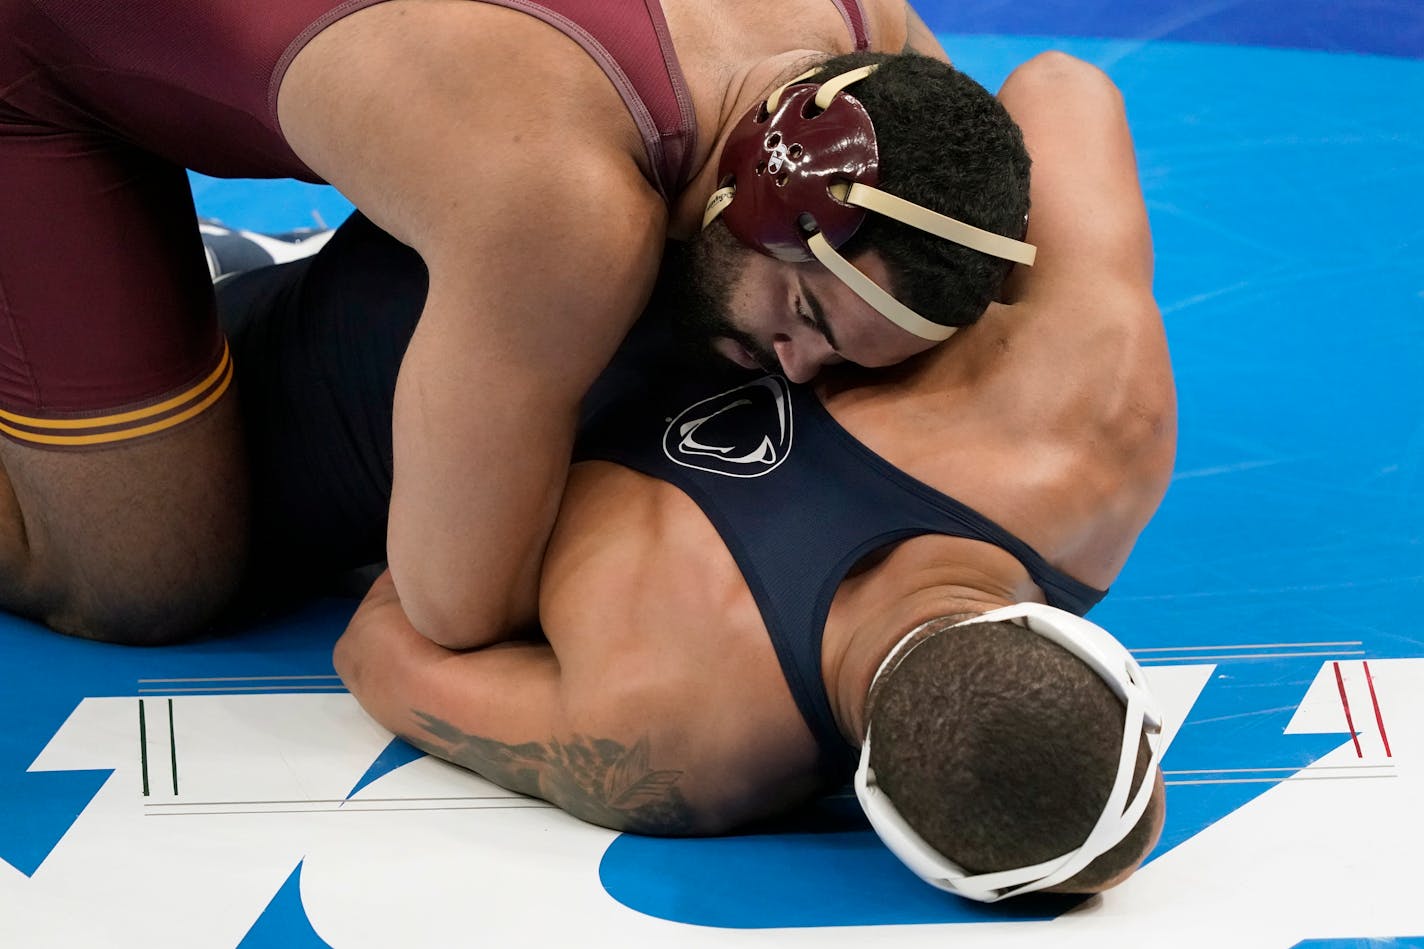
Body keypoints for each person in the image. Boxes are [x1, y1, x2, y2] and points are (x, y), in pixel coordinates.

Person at [216, 51, 1175, 899]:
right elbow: (382, 650)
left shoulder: (1099, 420)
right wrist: (548, 523)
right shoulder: (670, 747)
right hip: (460, 333)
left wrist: (489, 444)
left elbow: (1062, 86)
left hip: (513, 292)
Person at [0, 0, 1033, 648]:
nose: (798, 370)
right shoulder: (566, 211)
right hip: (34, 60)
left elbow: (989, 180)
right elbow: (452, 607)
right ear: (763, 194)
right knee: (145, 578)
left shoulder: (866, 39)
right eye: (804, 313)